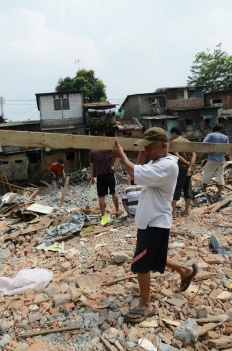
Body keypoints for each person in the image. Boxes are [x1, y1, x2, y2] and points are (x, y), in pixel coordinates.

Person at [111, 127, 198, 323]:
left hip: (154, 222)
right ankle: (185, 270)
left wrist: (122, 156)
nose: (147, 151)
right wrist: (142, 151)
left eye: (150, 147)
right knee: (156, 256)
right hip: (152, 221)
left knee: (140, 263)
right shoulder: (157, 162)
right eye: (146, 148)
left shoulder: (167, 165)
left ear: (164, 146)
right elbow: (136, 176)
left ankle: (146, 305)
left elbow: (134, 171)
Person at [170, 126, 196, 217]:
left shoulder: (174, 142)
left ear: (174, 133)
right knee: (187, 190)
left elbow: (177, 155)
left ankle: (173, 213)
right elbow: (193, 155)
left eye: (171, 134)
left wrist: (186, 163)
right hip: (188, 169)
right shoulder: (188, 142)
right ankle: (186, 211)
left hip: (180, 169)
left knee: (176, 189)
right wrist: (190, 167)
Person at [202, 124, 229, 199]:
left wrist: (209, 151)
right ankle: (219, 192)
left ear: (213, 129)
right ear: (221, 130)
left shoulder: (210, 135)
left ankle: (204, 188)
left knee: (207, 173)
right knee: (220, 175)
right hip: (221, 159)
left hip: (212, 158)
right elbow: (227, 148)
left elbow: (204, 143)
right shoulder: (225, 137)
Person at [90, 149, 121, 216]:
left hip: (99, 175)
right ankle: (117, 210)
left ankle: (103, 215)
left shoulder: (93, 151)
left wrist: (92, 178)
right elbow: (119, 155)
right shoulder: (108, 148)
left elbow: (92, 165)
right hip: (109, 173)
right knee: (113, 192)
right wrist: (115, 168)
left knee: (101, 196)